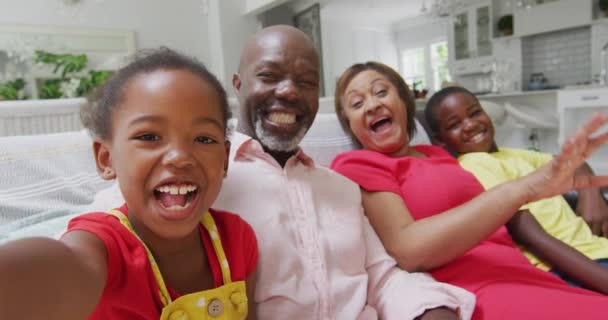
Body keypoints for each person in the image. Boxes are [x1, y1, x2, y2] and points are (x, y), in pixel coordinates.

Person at [85, 26, 476, 319]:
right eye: (270, 76)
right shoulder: (196, 180)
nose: (289, 91)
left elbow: (382, 276)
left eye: (305, 82)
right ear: (238, 85)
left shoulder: (341, 187)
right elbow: (107, 229)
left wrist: (431, 309)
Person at [330, 61, 608, 319]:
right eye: (357, 103)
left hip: (523, 272)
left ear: (403, 101)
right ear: (351, 124)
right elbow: (408, 250)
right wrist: (523, 188)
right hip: (477, 289)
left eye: (381, 91)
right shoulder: (358, 163)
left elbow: (506, 220)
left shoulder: (437, 154)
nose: (371, 105)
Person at [0, 48, 258, 319]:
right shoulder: (101, 246)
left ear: (225, 159)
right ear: (106, 159)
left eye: (204, 139)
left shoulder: (237, 238)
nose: (180, 157)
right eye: (149, 136)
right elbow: (61, 270)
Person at [424, 86, 608, 293]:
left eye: (475, 113)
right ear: (440, 139)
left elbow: (574, 162)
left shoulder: (513, 154)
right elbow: (528, 234)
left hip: (596, 250)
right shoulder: (474, 164)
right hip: (570, 266)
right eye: (455, 124)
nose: (470, 125)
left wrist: (592, 195)